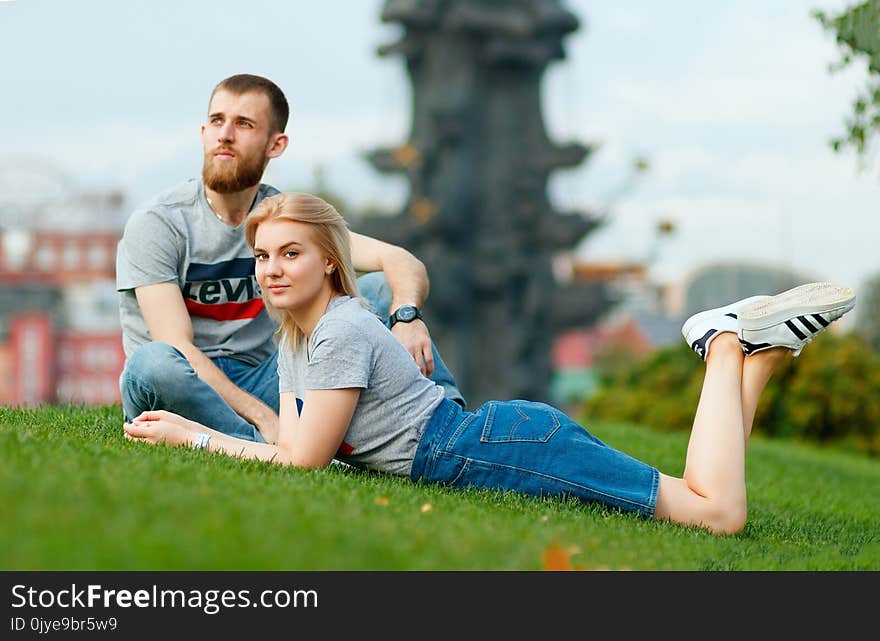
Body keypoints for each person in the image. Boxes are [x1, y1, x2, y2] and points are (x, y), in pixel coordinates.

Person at [124, 192, 857, 535]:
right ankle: (755, 354)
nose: (271, 270)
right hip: (489, 441)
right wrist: (237, 420)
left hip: (498, 450)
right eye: (261, 256)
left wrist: (192, 434)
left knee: (715, 513)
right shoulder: (297, 336)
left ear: (330, 262)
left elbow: (302, 462)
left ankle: (723, 343)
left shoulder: (341, 329)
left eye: (290, 254)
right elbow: (289, 438)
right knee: (696, 493)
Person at [116, 74, 463, 446]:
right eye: (217, 121)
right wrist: (266, 417)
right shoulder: (160, 222)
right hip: (182, 381)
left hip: (263, 375)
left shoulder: (280, 219)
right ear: (203, 132)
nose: (225, 134)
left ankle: (448, 425)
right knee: (155, 363)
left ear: (275, 144)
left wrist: (406, 316)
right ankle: (266, 447)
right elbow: (178, 347)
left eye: (244, 124)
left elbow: (399, 260)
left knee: (378, 288)